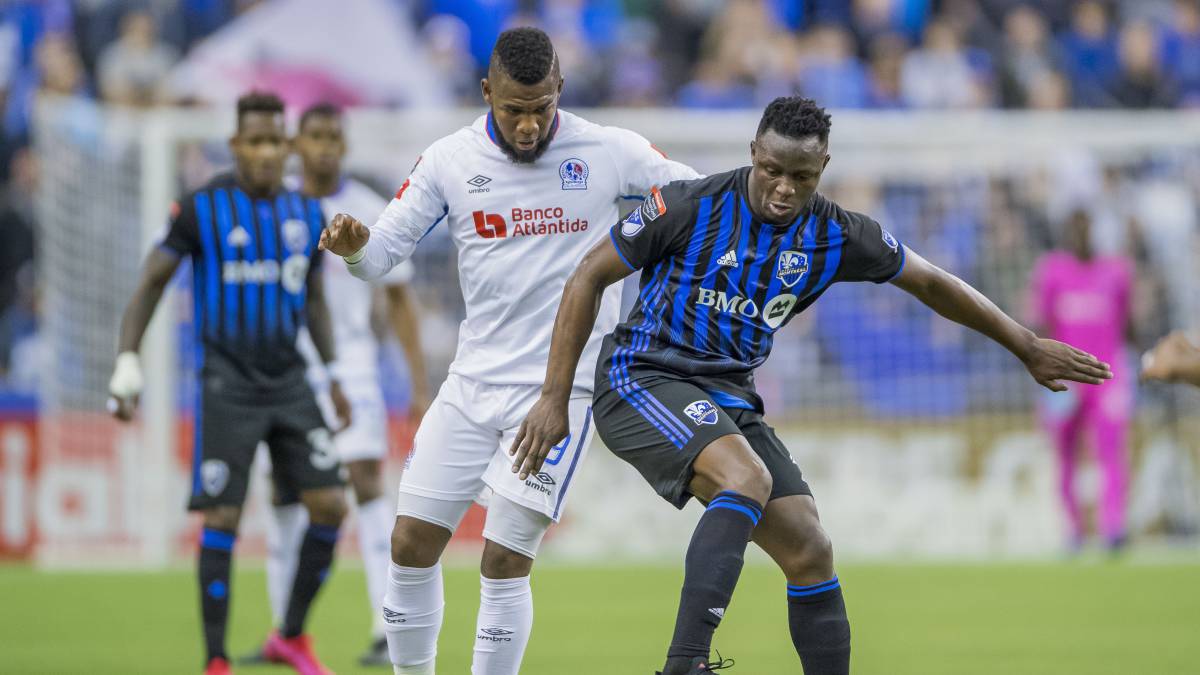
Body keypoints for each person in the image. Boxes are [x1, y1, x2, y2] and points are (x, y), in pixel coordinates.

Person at [510, 96, 1112, 675]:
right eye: (771, 170)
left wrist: (1025, 344)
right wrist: (553, 397)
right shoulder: (688, 205)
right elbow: (588, 275)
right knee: (747, 477)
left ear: (823, 166)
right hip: (642, 377)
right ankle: (684, 664)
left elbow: (931, 283)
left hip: (729, 396)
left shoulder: (838, 235)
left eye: (800, 176)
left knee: (809, 549)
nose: (783, 188)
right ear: (753, 154)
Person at [317, 26, 698, 675]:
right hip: (470, 385)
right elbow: (380, 255)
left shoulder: (610, 151)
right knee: (408, 544)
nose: (528, 126)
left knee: (504, 557)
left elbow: (698, 196)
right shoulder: (448, 160)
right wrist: (354, 244)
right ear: (486, 90)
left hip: (560, 391)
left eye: (541, 108)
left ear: (560, 91)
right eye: (513, 110)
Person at [108, 91, 349, 675]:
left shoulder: (305, 214)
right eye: (255, 141)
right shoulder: (200, 208)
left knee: (329, 505)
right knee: (221, 518)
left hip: (291, 381)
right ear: (237, 144)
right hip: (227, 384)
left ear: (286, 147)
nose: (266, 152)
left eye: (275, 141)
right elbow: (152, 283)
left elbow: (313, 298)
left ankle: (289, 635)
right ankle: (216, 659)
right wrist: (128, 360)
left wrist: (334, 372)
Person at [240, 102, 432, 668]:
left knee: (364, 479)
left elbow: (400, 300)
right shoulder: (273, 209)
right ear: (297, 143)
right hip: (283, 367)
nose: (324, 145)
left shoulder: (373, 209)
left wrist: (419, 385)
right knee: (281, 488)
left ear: (343, 146)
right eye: (314, 135)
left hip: (351, 362)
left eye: (333, 136)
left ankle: (382, 624)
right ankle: (285, 628)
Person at [1030, 209, 1134, 551]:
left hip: (1107, 377)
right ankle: (1072, 530)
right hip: (1065, 379)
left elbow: (1127, 324)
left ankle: (1113, 527)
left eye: (1085, 227)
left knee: (1111, 451)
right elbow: (1042, 328)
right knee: (1064, 453)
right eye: (1074, 228)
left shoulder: (1116, 271)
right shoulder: (1052, 272)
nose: (1080, 235)